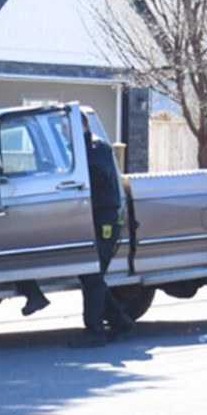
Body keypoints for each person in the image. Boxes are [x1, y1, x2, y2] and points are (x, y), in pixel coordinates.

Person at [68, 110, 133, 348]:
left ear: (79, 126)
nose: (65, 133)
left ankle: (95, 332)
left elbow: (94, 178)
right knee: (90, 276)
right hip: (91, 219)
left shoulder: (97, 149)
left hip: (104, 220)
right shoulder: (79, 149)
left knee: (93, 275)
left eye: (68, 128)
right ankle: (120, 321)